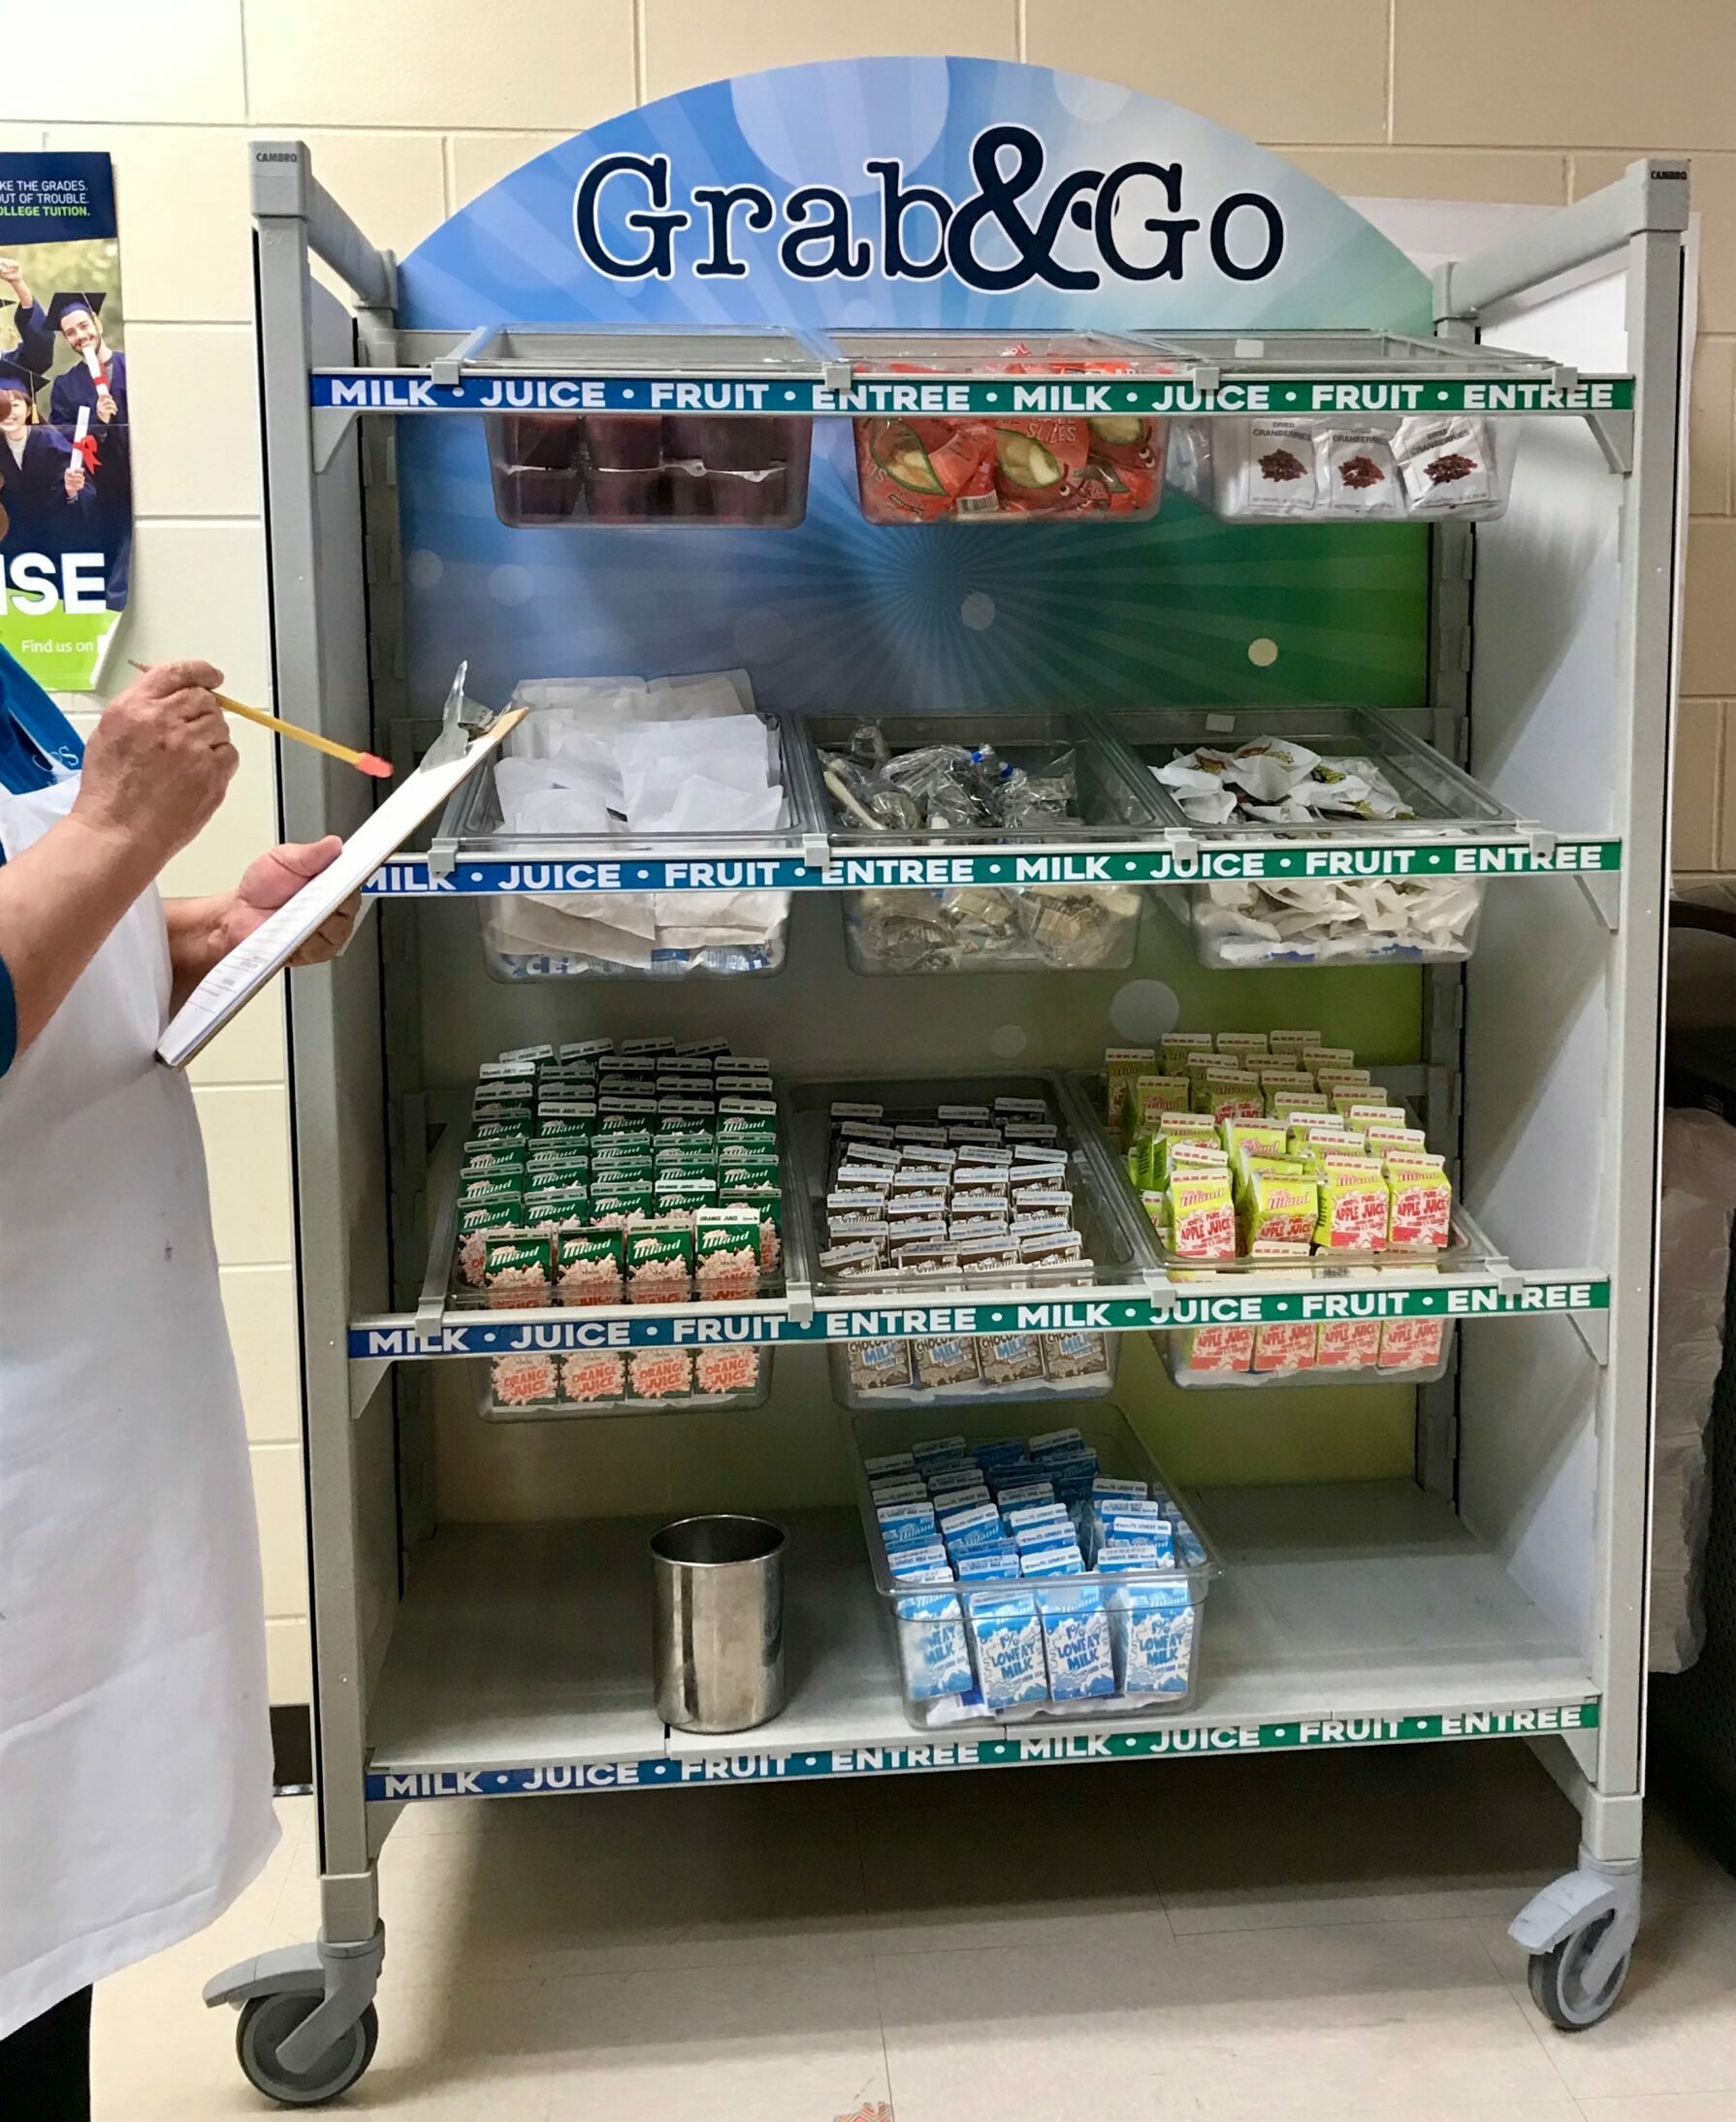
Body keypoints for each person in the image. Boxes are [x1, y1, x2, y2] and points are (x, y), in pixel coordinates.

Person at [0, 647, 359, 2120]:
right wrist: (114, 831)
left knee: (38, 1946)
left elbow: (49, 965)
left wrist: (212, 933)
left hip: (75, 1412)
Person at [39, 297, 128, 608]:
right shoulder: (66, 386)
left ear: (97, 323)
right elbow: (64, 443)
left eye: (83, 326)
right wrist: (98, 423)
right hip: (101, 494)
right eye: (71, 333)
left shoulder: (134, 366)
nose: (80, 336)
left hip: (145, 486)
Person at [0, 357, 98, 578]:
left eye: (15, 405)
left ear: (28, 410)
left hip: (54, 543)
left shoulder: (52, 445)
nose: (8, 413)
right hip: (9, 547)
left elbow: (83, 496)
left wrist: (72, 491)